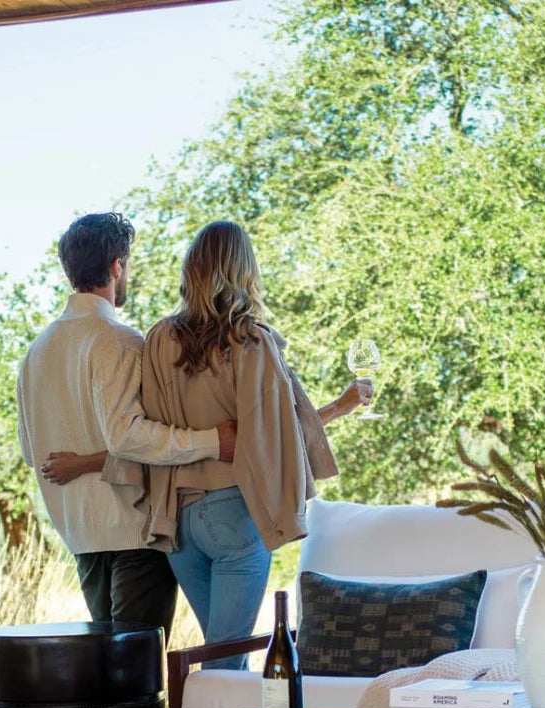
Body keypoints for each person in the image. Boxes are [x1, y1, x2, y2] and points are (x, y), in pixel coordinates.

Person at [43, 220, 370, 669]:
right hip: (232, 514)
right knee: (226, 667)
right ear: (244, 271)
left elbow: (145, 430)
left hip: (178, 522)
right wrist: (338, 408)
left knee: (219, 655)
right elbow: (273, 433)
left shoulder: (158, 338)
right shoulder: (252, 339)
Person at [18, 212, 237, 642]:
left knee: (108, 673)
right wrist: (212, 441)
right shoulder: (118, 340)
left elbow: (32, 453)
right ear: (117, 265)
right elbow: (129, 436)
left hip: (80, 536)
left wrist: (83, 461)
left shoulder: (36, 352)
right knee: (136, 678)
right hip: (135, 529)